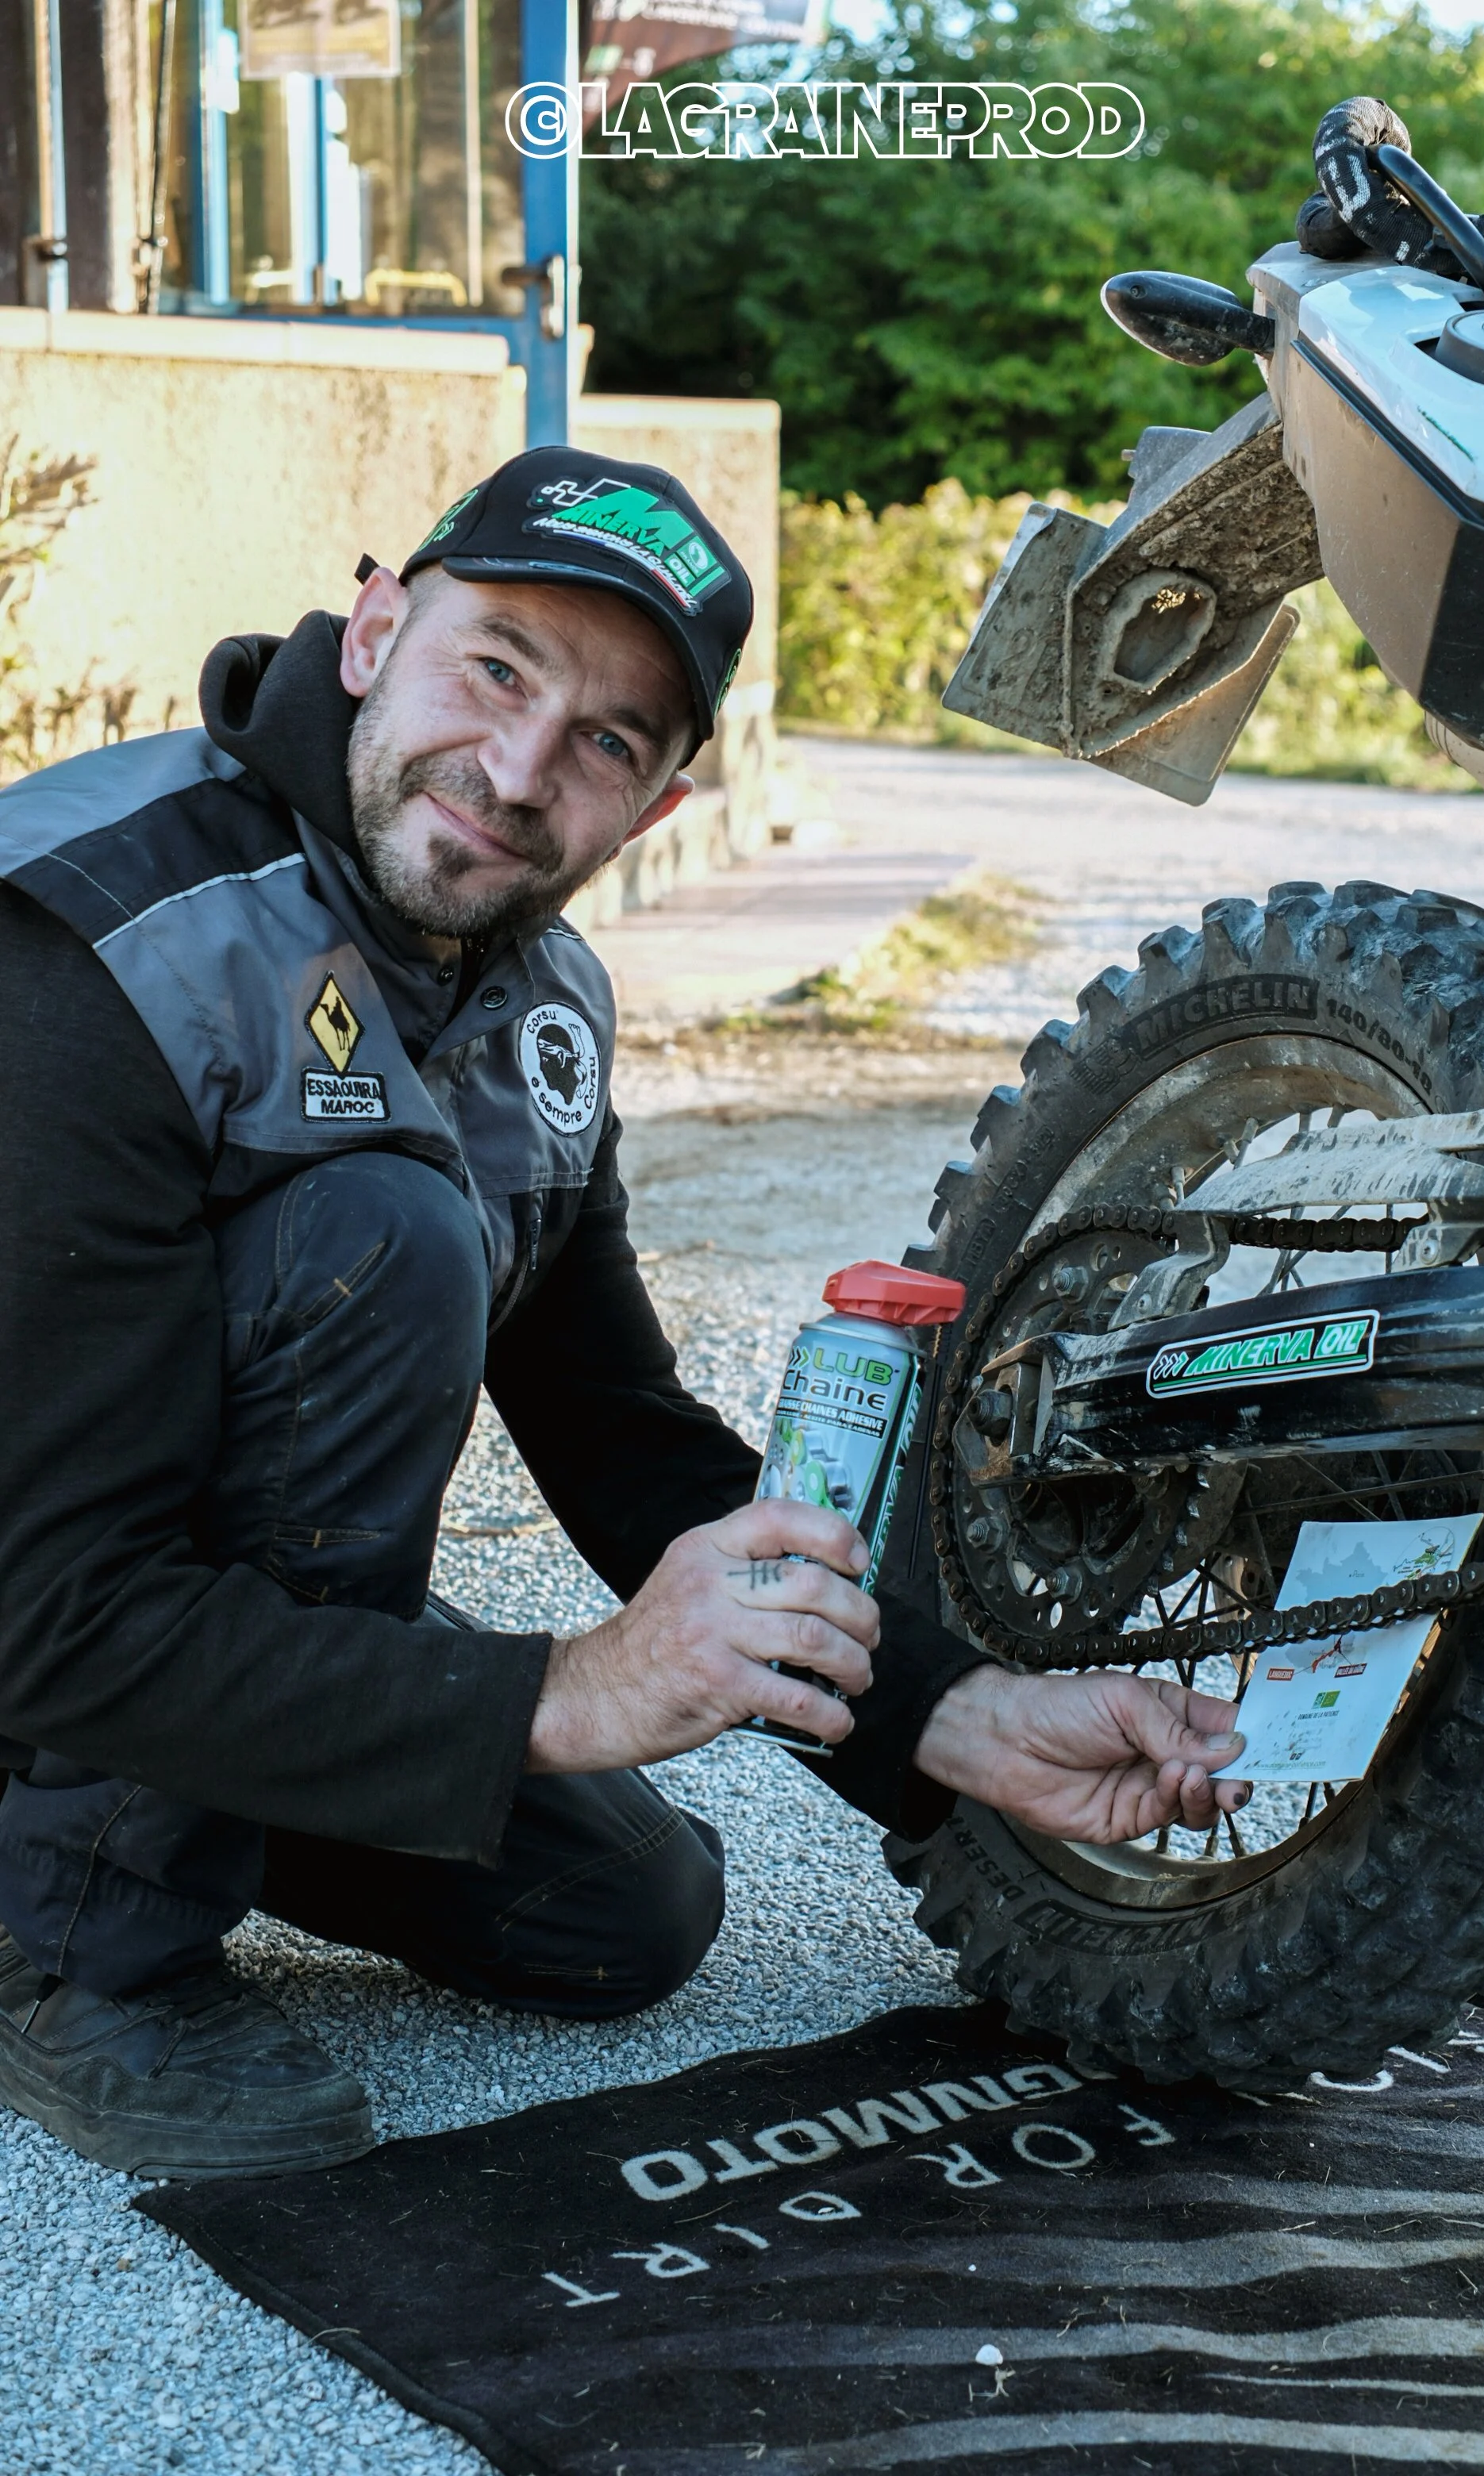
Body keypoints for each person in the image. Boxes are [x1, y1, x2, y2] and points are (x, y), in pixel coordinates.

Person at [0, 447, 1247, 2181]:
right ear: (374, 631)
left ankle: (147, 1803)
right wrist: (570, 1687)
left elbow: (619, 1431)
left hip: (127, 1595)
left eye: (605, 741)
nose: (517, 772)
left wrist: (947, 1719)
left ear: (654, 808)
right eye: (494, 668)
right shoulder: (97, 948)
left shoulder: (528, 991)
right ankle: (74, 1937)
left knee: (623, 1914)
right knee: (380, 1226)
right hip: (42, 1599)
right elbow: (52, 1611)